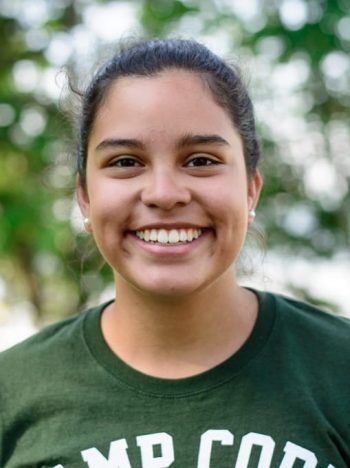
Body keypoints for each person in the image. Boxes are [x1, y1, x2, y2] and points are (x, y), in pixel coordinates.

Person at [0, 38, 349, 468]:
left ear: (250, 189)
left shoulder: (339, 369)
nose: (164, 194)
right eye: (126, 162)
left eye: (201, 160)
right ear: (85, 198)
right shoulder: (10, 393)